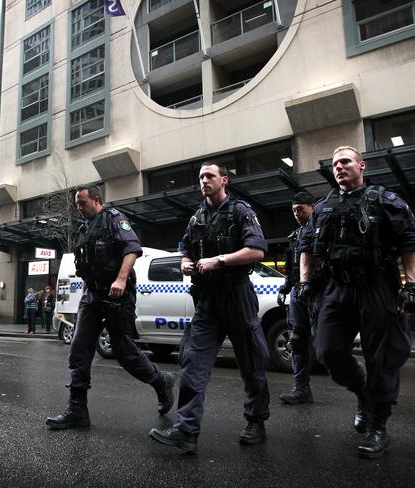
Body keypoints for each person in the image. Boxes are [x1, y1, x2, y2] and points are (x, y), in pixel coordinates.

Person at [299, 146, 415, 459]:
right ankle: (363, 394)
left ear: (361, 166)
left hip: (376, 286)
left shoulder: (385, 200)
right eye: (335, 163)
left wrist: (412, 288)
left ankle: (378, 426)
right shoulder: (323, 206)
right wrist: (304, 282)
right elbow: (307, 247)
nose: (339, 167)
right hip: (336, 288)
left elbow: (411, 243)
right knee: (327, 351)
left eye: (345, 161)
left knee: (382, 357)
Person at [149, 162, 270, 454]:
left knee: (252, 362)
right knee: (192, 361)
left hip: (237, 296)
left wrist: (220, 260)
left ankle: (256, 420)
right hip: (207, 301)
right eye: (201, 177)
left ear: (223, 180)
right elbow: (185, 251)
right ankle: (186, 431)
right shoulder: (197, 218)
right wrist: (185, 264)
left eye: (209, 176)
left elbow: (257, 250)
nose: (204, 180)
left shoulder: (241, 211)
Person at [45, 185, 174, 430]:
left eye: (81, 203)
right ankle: (77, 411)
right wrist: (85, 291)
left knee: (123, 351)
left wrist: (121, 279)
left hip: (117, 295)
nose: (78, 208)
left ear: (96, 200)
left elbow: (132, 249)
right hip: (92, 295)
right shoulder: (83, 230)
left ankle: (161, 381)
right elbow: (86, 264)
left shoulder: (114, 219)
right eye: (76, 204)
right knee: (79, 349)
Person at [278, 192, 317, 404]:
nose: (296, 213)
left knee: (329, 344)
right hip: (297, 293)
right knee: (297, 340)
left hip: (319, 292)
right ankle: (302, 388)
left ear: (312, 207)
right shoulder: (296, 235)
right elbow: (292, 267)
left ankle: (362, 392)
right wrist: (285, 287)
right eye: (293, 210)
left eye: (300, 209)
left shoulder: (323, 228)